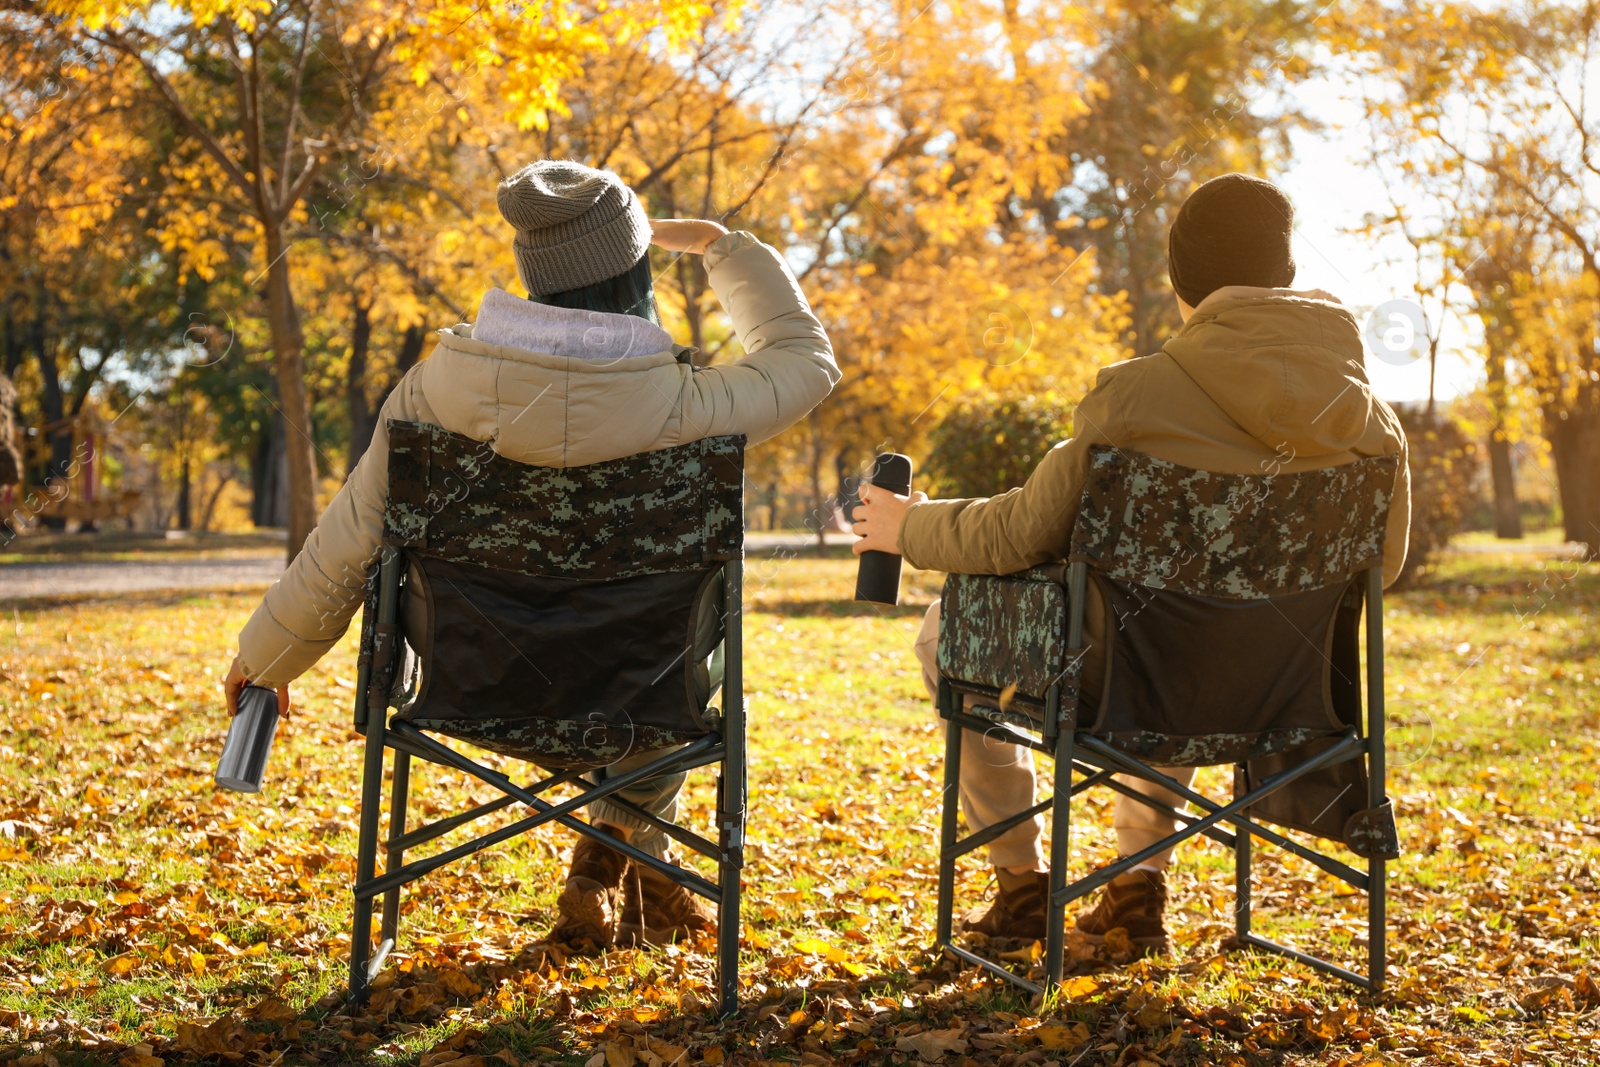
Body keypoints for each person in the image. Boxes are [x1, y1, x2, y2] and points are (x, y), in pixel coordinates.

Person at [222, 159, 838, 950]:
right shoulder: (695, 408)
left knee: (644, 669)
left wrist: (263, 657)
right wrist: (721, 245)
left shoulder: (430, 394)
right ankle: (637, 870)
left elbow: (343, 547)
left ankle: (607, 867)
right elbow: (805, 358)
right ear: (636, 264)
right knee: (663, 670)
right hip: (643, 696)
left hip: (473, 685)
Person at [852, 173, 1410, 952]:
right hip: (1286, 697)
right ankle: (1135, 885)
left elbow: (1020, 531)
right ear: (1285, 273)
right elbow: (1378, 569)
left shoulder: (1137, 393)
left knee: (952, 629)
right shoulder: (1373, 421)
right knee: (1185, 637)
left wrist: (909, 528)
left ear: (1183, 282)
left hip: (1131, 684)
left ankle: (1021, 882)